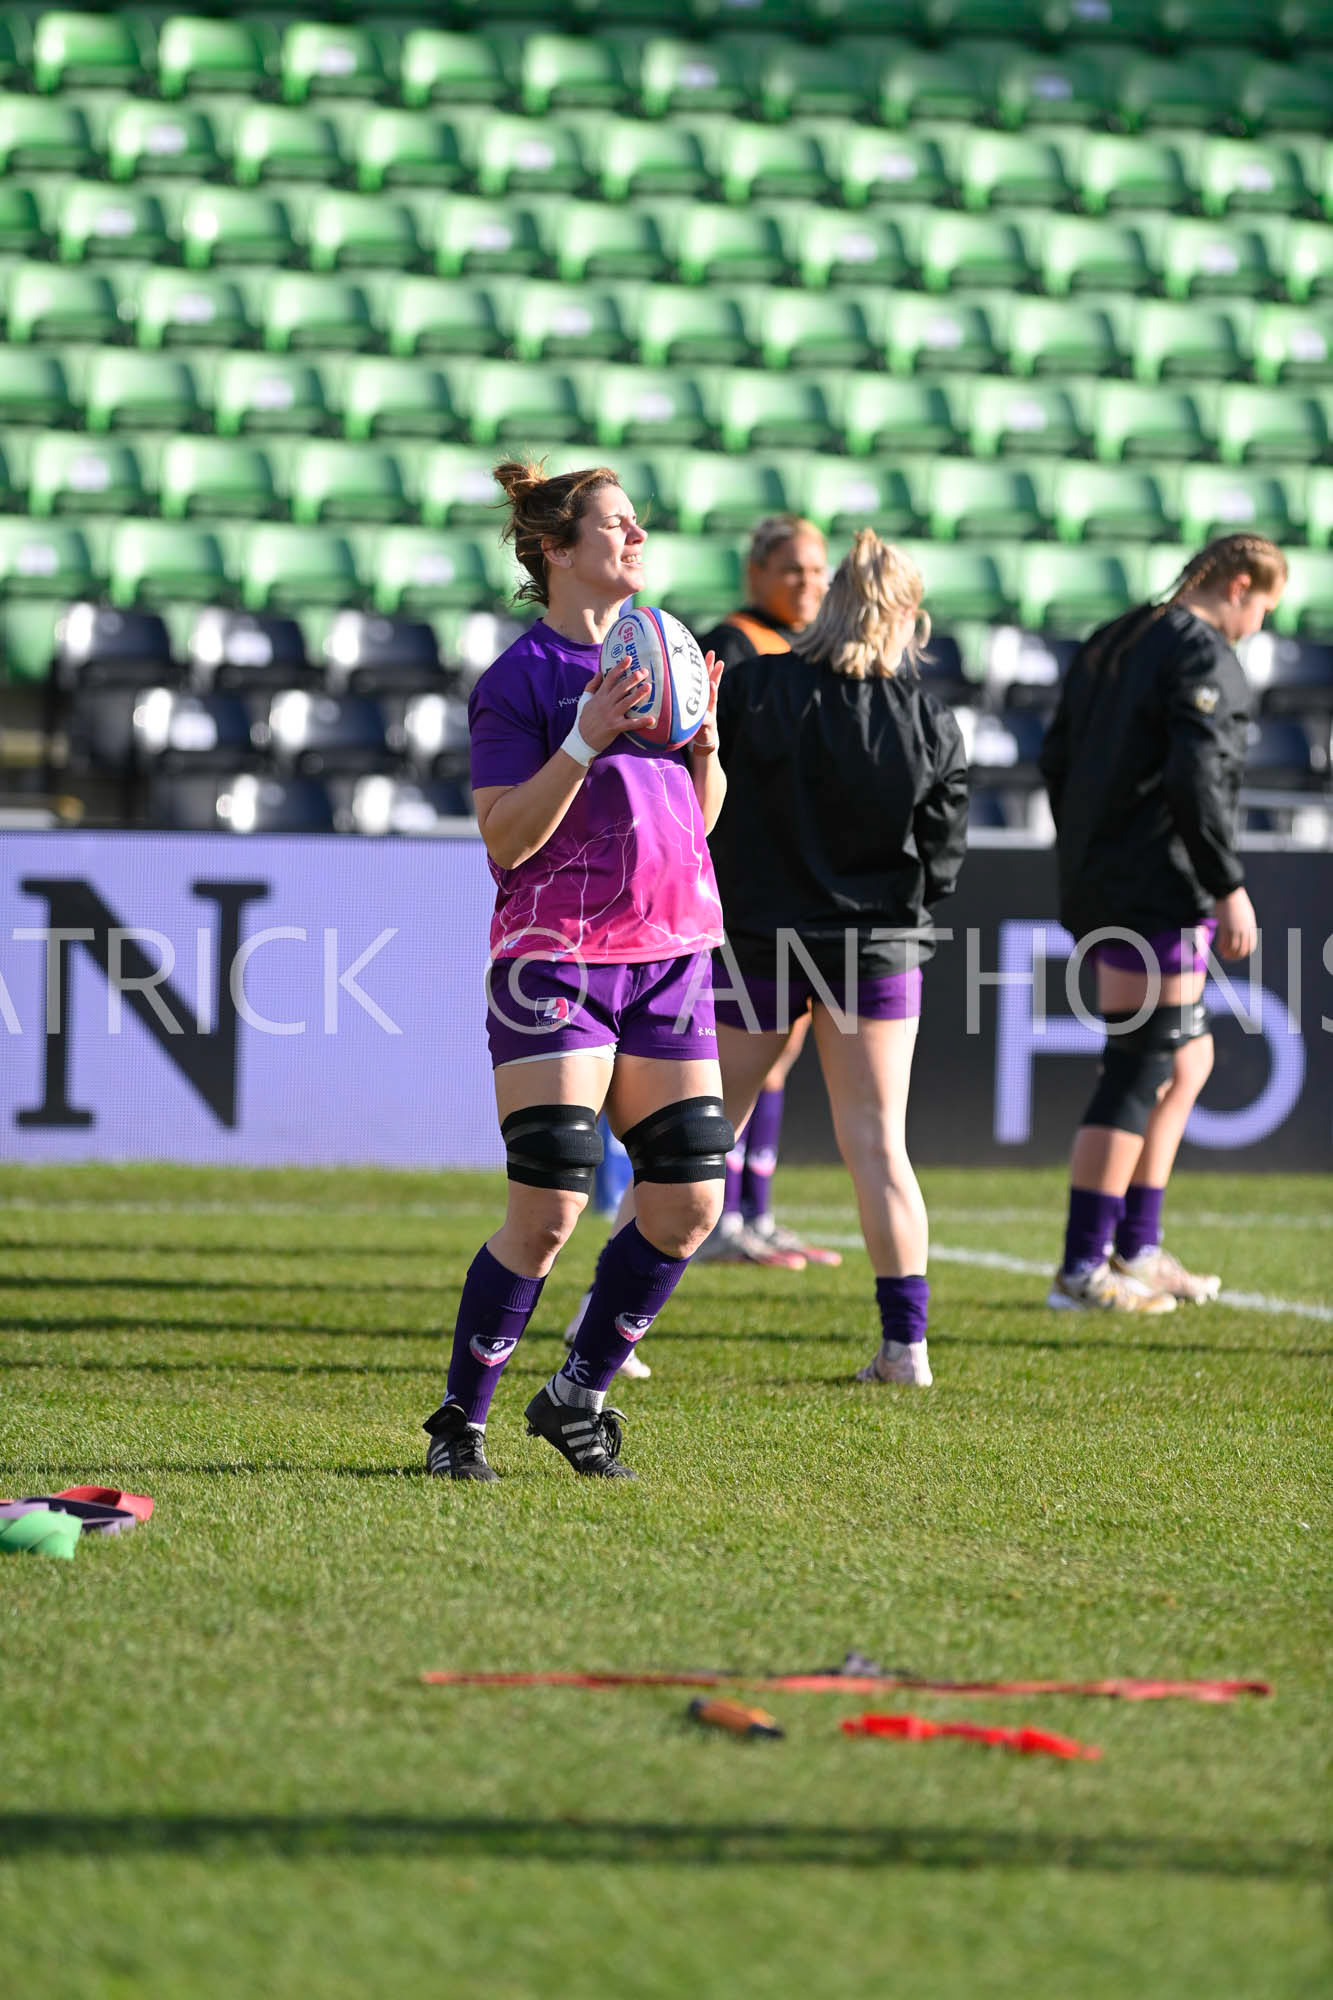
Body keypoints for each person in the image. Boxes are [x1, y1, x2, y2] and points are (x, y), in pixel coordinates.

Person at [419, 460, 733, 1480]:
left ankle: (576, 1393)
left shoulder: (663, 653)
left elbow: (697, 819)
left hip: (671, 956)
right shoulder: (520, 681)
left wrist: (705, 745)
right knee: (549, 1207)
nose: (638, 539)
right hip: (554, 963)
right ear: (558, 550)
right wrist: (583, 737)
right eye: (618, 526)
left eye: (640, 526)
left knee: (688, 1203)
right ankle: (457, 1424)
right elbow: (506, 839)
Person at [710, 529, 968, 1386]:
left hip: (761, 941)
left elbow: (703, 802)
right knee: (877, 1145)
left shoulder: (755, 687)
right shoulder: (926, 716)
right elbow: (942, 854)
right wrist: (902, 919)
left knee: (700, 1137)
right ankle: (906, 1348)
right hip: (874, 951)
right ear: (904, 614)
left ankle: (611, 1334)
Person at [1039, 534, 1287, 1313]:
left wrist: (1087, 848)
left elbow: (1053, 757)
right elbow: (1195, 774)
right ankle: (1083, 1269)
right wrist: (1226, 884)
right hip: (1155, 887)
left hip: (1104, 873)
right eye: (1261, 611)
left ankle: (1135, 1247)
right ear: (1239, 587)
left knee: (1188, 1062)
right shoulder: (1199, 650)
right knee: (1141, 1064)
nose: (1255, 629)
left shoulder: (1115, 636)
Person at [696, 513, 841, 1272]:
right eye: (792, 570)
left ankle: (752, 1213)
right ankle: (716, 1214)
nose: (808, 584)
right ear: (755, 574)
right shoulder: (732, 646)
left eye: (818, 571)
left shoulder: (804, 650)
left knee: (775, 1051)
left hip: (784, 884)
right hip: (736, 882)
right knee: (742, 1052)